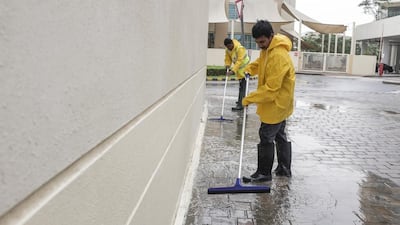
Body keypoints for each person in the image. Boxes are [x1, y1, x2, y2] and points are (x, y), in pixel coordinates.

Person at [241, 20, 295, 182]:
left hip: (276, 103)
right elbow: (261, 63)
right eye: (257, 42)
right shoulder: (268, 49)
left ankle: (264, 173)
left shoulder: (278, 56)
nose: (260, 45)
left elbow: (271, 90)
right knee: (280, 135)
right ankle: (284, 168)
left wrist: (248, 99)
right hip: (281, 103)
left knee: (266, 135)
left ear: (271, 36)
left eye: (262, 42)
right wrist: (250, 68)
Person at [224, 38, 250, 111]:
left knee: (243, 87)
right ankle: (242, 101)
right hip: (239, 69)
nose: (229, 48)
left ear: (232, 43)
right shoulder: (228, 50)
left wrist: (233, 71)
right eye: (227, 47)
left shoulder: (239, 48)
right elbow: (227, 58)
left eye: (230, 46)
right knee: (241, 86)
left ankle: (241, 105)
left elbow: (239, 61)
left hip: (245, 68)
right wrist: (227, 65)